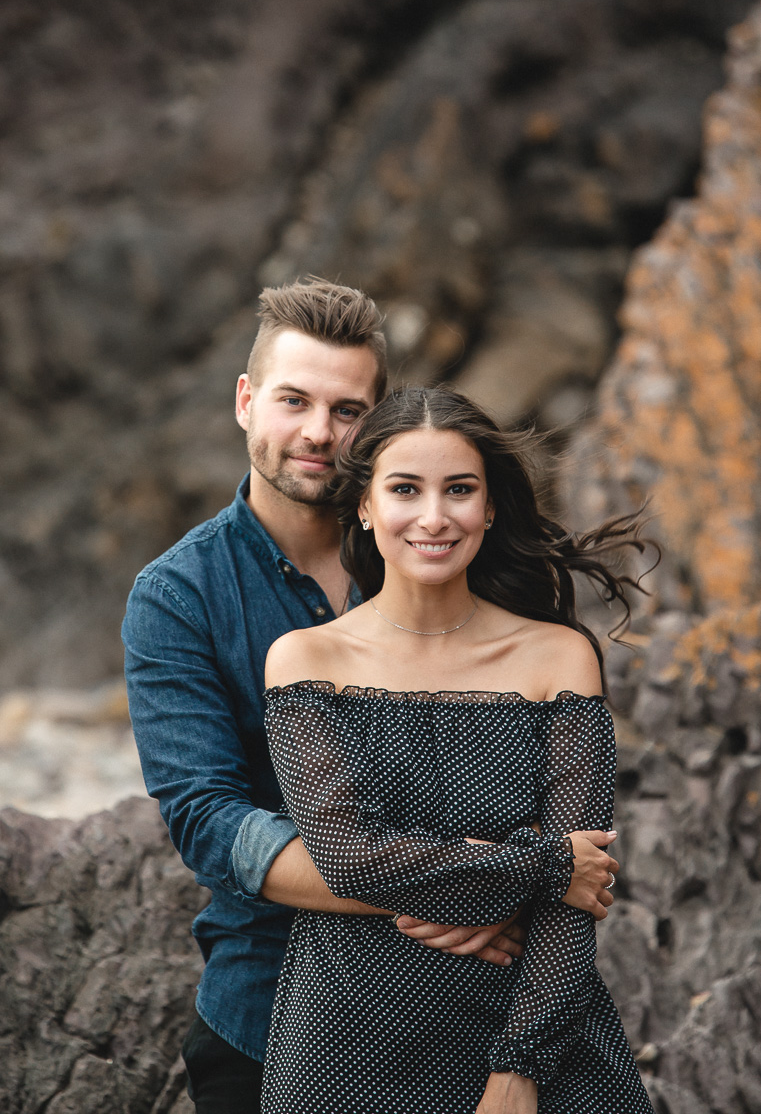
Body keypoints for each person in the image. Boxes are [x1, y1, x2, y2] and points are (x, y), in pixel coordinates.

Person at [122, 281, 531, 1114]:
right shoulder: (178, 596)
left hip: (470, 1006)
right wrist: (442, 885)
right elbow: (209, 822)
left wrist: (511, 876)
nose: (317, 433)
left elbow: (540, 772)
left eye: (347, 411)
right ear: (246, 402)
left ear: (377, 425)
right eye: (293, 400)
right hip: (269, 1015)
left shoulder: (441, 551)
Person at [262, 386, 655, 1114]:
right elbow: (350, 859)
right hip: (350, 1041)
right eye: (405, 489)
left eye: (460, 490)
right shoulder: (304, 660)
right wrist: (546, 865)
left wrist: (519, 1069)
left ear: (491, 506)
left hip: (534, 1037)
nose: (434, 517)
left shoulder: (558, 656)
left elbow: (577, 904)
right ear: (363, 505)